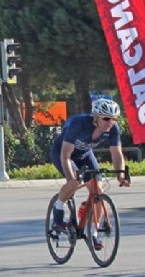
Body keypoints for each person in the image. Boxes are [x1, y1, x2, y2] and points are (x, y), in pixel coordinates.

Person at [50, 98, 130, 250]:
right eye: (106, 118)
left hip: (85, 155)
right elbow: (66, 154)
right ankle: (58, 207)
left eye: (114, 119)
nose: (110, 122)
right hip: (63, 153)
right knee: (75, 182)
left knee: (97, 191)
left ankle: (94, 233)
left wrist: (120, 174)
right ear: (96, 117)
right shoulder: (78, 124)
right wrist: (70, 178)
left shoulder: (113, 128)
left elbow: (116, 153)